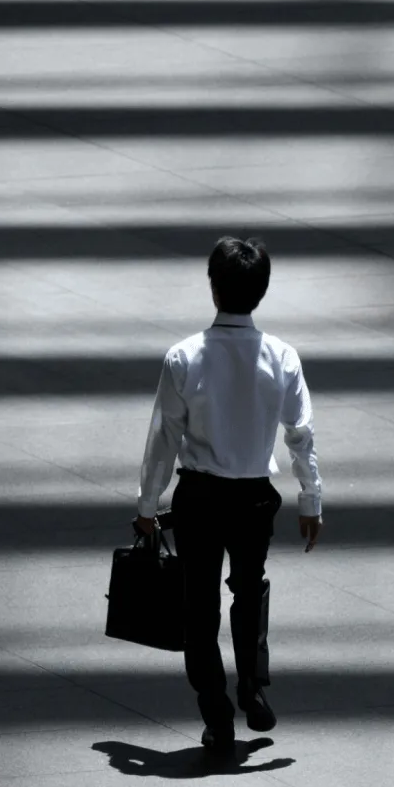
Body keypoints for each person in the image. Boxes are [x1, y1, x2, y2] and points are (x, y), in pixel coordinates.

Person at [135, 235, 323, 759]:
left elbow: (163, 438)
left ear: (213, 286)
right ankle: (252, 685)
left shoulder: (185, 356)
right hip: (253, 499)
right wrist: (311, 499)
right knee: (249, 588)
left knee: (200, 607)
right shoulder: (282, 357)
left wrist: (148, 507)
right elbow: (300, 434)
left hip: (199, 495)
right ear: (260, 292)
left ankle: (217, 715)